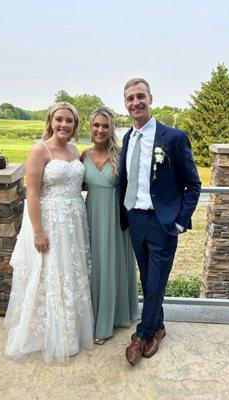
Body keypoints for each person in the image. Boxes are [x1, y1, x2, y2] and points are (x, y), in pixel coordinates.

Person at [119, 78, 201, 366]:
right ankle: (159, 327)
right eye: (129, 98)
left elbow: (194, 185)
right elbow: (125, 180)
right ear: (125, 103)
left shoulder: (174, 138)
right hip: (136, 219)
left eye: (140, 96)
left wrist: (179, 222)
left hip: (163, 223)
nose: (135, 102)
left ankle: (142, 335)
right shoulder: (128, 138)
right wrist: (126, 216)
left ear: (151, 99)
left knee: (155, 283)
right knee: (150, 280)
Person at [4, 102, 94, 363]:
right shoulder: (40, 150)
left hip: (74, 221)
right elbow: (31, 192)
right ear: (50, 121)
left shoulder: (75, 149)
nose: (64, 125)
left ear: (75, 125)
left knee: (70, 272)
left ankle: (70, 329)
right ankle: (49, 335)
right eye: (59, 119)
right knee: (50, 272)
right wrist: (37, 232)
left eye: (69, 120)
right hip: (51, 221)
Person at [81, 107, 138, 345]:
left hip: (116, 219)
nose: (100, 129)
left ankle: (108, 321)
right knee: (94, 265)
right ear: (90, 127)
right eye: (96, 125)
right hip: (92, 215)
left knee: (111, 265)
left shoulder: (122, 153)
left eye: (105, 125)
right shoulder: (83, 155)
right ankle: (91, 317)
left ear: (112, 128)